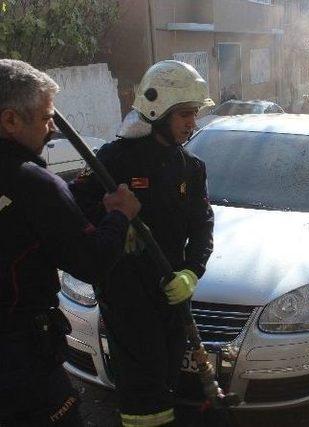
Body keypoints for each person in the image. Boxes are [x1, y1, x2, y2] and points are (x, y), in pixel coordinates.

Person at [71, 60, 215, 427]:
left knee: (166, 377)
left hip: (171, 292)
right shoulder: (113, 159)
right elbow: (76, 212)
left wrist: (191, 272)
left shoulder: (191, 168)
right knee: (140, 391)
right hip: (126, 297)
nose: (191, 122)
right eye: (184, 113)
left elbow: (202, 226)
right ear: (157, 109)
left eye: (194, 113)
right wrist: (110, 218)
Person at [0, 59, 141, 426]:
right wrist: (119, 215)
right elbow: (91, 262)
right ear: (10, 120)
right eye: (46, 118)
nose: (51, 129)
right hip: (20, 361)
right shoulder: (32, 183)